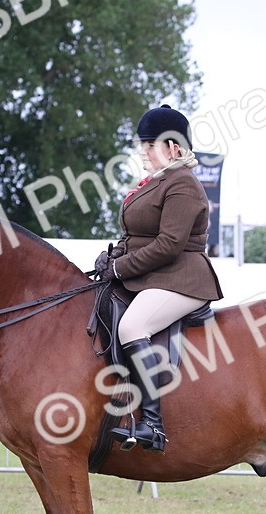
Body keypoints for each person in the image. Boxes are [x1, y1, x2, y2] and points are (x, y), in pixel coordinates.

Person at [95, 104, 223, 452]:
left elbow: (168, 244)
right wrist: (112, 258)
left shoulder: (183, 184)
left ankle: (152, 423)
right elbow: (138, 236)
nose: (143, 151)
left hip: (182, 278)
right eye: (143, 143)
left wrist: (121, 268)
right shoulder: (156, 182)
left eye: (151, 144)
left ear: (175, 149)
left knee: (132, 327)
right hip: (156, 276)